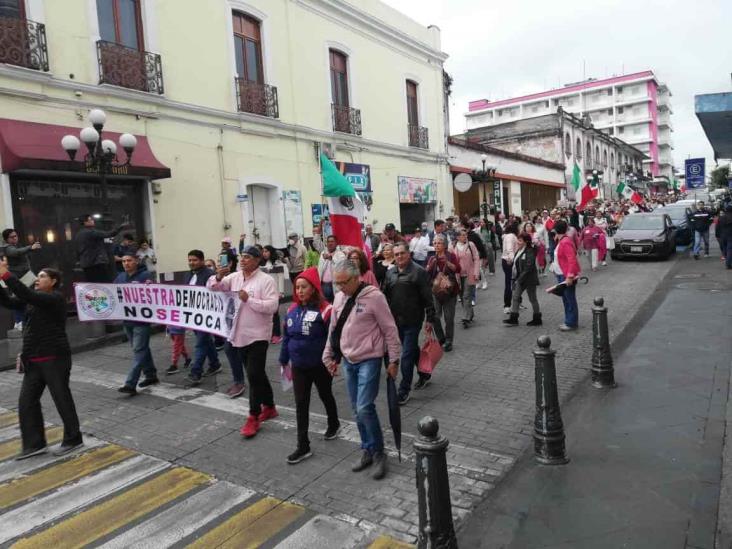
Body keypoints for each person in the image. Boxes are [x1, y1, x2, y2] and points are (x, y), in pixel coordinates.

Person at [323, 260, 401, 480]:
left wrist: (394, 360)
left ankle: (378, 453)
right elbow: (334, 329)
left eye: (343, 283)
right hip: (349, 359)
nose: (339, 288)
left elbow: (390, 329)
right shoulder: (339, 297)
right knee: (356, 409)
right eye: (336, 283)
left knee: (365, 406)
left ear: (356, 277)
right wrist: (328, 354)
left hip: (370, 359)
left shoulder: (374, 297)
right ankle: (367, 448)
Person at [0, 260, 83, 459]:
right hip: (34, 360)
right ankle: (34, 443)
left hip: (54, 357)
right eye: (37, 277)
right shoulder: (33, 300)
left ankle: (73, 438)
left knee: (61, 398)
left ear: (53, 282)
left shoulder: (54, 299)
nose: (38, 279)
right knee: (26, 402)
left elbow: (26, 294)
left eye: (43, 276)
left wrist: (5, 274)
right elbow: (9, 302)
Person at [208, 245, 280, 437]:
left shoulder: (266, 280)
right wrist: (218, 276)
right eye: (242, 257)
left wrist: (249, 300)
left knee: (254, 374)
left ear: (257, 260)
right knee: (256, 374)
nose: (243, 260)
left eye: (247, 257)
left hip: (258, 335)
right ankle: (270, 406)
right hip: (238, 334)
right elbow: (213, 288)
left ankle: (253, 416)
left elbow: (272, 306)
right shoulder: (235, 277)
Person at [280, 267, 340, 464]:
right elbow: (287, 337)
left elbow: (334, 339)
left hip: (320, 366)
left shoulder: (326, 310)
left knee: (325, 395)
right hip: (298, 366)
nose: (299, 291)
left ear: (313, 288)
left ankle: (334, 423)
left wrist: (334, 360)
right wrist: (283, 358)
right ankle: (303, 446)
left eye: (303, 287)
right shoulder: (291, 310)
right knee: (301, 405)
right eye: (297, 287)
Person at [382, 242, 437, 405]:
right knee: (412, 350)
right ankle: (425, 373)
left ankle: (404, 390)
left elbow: (427, 297)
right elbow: (384, 296)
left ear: (409, 254)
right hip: (395, 321)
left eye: (402, 253)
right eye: (396, 254)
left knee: (406, 355)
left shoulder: (419, 272)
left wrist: (430, 318)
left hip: (413, 320)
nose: (399, 257)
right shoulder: (390, 273)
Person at [115, 251, 159, 394]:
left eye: (129, 260)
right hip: (127, 319)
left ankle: (130, 383)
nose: (126, 263)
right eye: (123, 261)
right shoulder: (120, 277)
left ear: (136, 261)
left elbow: (155, 293)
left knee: (138, 350)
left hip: (141, 320)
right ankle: (151, 375)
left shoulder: (145, 275)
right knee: (141, 348)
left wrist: (150, 287)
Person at [179, 250, 221, 382]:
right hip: (193, 315)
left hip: (207, 315)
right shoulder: (187, 275)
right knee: (205, 340)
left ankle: (196, 371)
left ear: (202, 260)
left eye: (194, 260)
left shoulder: (210, 274)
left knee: (200, 343)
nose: (191, 263)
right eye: (190, 260)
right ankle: (215, 364)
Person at [426, 234, 460, 352]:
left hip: (450, 291)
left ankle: (449, 341)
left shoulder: (451, 256)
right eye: (434, 243)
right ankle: (442, 339)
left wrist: (448, 263)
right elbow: (427, 274)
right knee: (435, 316)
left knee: (449, 318)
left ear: (444, 245)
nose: (436, 245)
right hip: (436, 292)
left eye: (439, 243)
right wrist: (430, 267)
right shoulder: (431, 258)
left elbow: (458, 269)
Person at [2, 228, 41, 330]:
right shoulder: (7, 247)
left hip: (26, 276)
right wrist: (30, 247)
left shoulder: (15, 246)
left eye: (16, 236)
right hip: (18, 279)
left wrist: (32, 249)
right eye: (12, 237)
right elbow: (16, 253)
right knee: (19, 300)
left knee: (28, 298)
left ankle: (25, 320)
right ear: (7, 239)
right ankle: (19, 322)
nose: (15, 238)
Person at [504, 232, 542, 326]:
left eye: (520, 240)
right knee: (516, 297)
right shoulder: (519, 250)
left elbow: (529, 267)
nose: (517, 242)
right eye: (518, 240)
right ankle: (514, 318)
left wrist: (519, 279)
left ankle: (537, 319)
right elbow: (518, 263)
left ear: (526, 242)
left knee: (532, 298)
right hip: (520, 278)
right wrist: (510, 263)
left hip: (529, 279)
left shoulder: (529, 251)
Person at [75, 214, 127, 282]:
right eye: (90, 219)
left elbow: (78, 250)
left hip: (86, 264)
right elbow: (108, 234)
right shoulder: (90, 232)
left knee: (93, 284)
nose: (93, 221)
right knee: (104, 282)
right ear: (85, 222)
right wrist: (121, 227)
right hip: (96, 264)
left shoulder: (78, 235)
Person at [551, 220, 581, 331]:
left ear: (555, 229)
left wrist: (570, 276)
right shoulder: (561, 240)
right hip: (561, 274)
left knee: (569, 299)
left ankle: (571, 322)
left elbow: (571, 259)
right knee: (566, 298)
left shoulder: (565, 241)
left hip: (566, 275)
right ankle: (568, 320)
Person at [450, 229, 480, 329]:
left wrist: (476, 272)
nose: (465, 237)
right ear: (458, 237)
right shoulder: (453, 246)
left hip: (470, 274)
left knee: (466, 296)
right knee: (462, 295)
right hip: (458, 276)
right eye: (462, 235)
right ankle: (470, 313)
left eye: (465, 235)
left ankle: (465, 317)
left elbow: (476, 258)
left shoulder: (470, 245)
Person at [261, 245, 289, 344]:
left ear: (271, 252)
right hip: (264, 293)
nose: (264, 253)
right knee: (266, 314)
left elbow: (280, 278)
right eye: (263, 251)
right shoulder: (262, 264)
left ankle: (276, 335)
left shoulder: (278, 263)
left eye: (266, 251)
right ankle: (268, 334)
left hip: (275, 292)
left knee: (274, 314)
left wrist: (281, 292)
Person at [318, 235, 346, 302]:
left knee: (336, 304)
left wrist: (331, 258)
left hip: (335, 285)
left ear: (336, 243)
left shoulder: (340, 254)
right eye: (328, 242)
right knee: (325, 304)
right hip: (323, 284)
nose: (330, 243)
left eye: (332, 241)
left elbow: (341, 266)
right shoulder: (323, 253)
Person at [501, 222, 519, 314]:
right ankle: (507, 305)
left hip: (507, 260)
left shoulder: (508, 236)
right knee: (509, 283)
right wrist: (512, 260)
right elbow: (510, 249)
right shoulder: (511, 236)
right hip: (509, 261)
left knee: (513, 282)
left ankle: (516, 302)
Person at [479, 219, 497, 284]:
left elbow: (492, 237)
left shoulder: (489, 230)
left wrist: (492, 243)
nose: (481, 223)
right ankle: (483, 269)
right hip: (481, 245)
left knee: (490, 258)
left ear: (485, 223)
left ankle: (492, 270)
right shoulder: (479, 230)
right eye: (480, 222)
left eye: (482, 222)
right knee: (483, 258)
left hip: (488, 244)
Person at [719, 203, 732, 270]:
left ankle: (728, 260)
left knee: (725, 249)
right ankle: (728, 264)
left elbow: (718, 227)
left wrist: (718, 235)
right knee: (729, 249)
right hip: (730, 235)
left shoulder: (721, 217)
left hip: (723, 235)